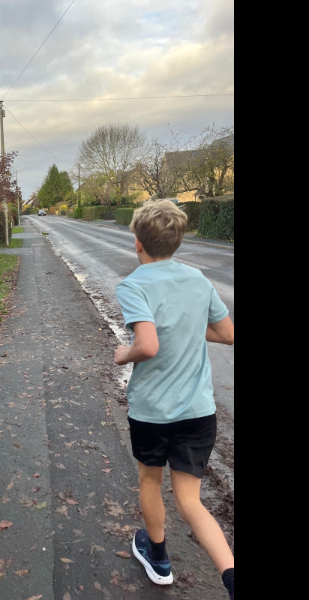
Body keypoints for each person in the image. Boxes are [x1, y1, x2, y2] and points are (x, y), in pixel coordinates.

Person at [114, 200, 235, 599]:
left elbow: (147, 345)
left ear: (137, 242)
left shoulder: (133, 285)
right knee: (190, 500)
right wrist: (186, 331)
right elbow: (228, 334)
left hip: (152, 411)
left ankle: (159, 559)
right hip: (197, 411)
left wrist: (124, 354)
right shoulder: (198, 279)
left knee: (150, 479)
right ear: (178, 241)